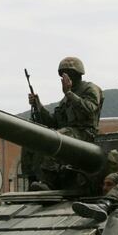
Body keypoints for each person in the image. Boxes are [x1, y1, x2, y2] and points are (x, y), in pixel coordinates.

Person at [24, 56, 103, 189]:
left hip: (85, 133)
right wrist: (38, 105)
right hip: (68, 133)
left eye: (70, 74)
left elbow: (90, 110)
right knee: (31, 138)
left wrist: (69, 93)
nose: (67, 77)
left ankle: (49, 180)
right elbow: (53, 122)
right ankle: (33, 178)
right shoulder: (65, 99)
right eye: (64, 74)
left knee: (57, 137)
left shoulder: (90, 89)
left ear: (78, 75)